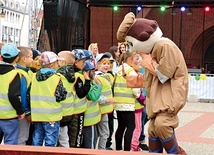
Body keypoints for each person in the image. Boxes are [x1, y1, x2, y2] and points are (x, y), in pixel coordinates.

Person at [117, 12, 188, 154]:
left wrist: (146, 61)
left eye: (131, 44)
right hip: (157, 101)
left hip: (168, 99)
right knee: (153, 129)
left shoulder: (164, 45)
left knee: (162, 125)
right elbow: (149, 80)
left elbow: (163, 74)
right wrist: (129, 76)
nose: (133, 49)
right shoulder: (153, 50)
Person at [30, 51, 67, 147]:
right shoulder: (57, 78)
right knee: (50, 142)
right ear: (51, 65)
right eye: (57, 63)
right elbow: (61, 96)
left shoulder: (33, 77)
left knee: (37, 139)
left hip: (37, 115)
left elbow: (28, 94)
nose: (58, 65)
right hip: (52, 116)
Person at [113, 52, 144, 151]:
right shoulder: (131, 71)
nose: (137, 60)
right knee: (131, 127)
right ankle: (126, 150)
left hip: (118, 103)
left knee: (121, 126)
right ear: (130, 59)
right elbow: (136, 90)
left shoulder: (118, 70)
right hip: (128, 103)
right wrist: (142, 99)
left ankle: (118, 149)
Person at [0, 43, 25, 145]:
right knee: (10, 143)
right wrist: (20, 111)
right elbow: (13, 96)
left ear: (1, 57)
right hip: (9, 117)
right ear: (16, 59)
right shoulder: (14, 74)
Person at [68, 49, 91, 148]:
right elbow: (81, 93)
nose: (84, 64)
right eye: (83, 62)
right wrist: (87, 81)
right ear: (76, 62)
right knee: (77, 136)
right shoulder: (78, 76)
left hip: (69, 110)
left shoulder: (67, 74)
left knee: (68, 137)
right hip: (78, 111)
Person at [95, 53, 114, 150]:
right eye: (104, 63)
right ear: (97, 65)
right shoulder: (97, 78)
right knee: (104, 133)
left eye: (108, 63)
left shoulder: (105, 76)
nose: (107, 65)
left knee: (103, 133)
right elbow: (95, 96)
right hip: (100, 110)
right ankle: (101, 151)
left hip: (104, 110)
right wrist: (107, 100)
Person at [56, 50, 76, 148]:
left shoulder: (58, 75)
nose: (56, 61)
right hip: (68, 111)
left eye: (58, 59)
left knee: (55, 138)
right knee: (64, 138)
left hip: (58, 111)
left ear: (65, 62)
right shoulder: (72, 75)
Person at [16, 46, 33, 145]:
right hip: (22, 113)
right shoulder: (22, 74)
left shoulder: (26, 72)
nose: (32, 59)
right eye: (30, 57)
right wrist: (27, 112)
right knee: (22, 138)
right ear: (24, 59)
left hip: (15, 110)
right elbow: (23, 94)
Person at [82, 61, 101, 149]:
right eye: (91, 70)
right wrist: (99, 85)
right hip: (89, 120)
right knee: (90, 144)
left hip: (90, 119)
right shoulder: (86, 83)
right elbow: (94, 96)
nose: (93, 72)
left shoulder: (89, 82)